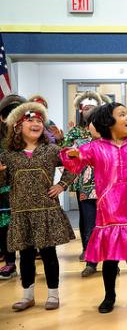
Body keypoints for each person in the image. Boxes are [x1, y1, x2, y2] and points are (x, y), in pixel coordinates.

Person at [61, 102, 127, 314]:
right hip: (108, 213)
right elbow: (75, 159)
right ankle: (109, 295)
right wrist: (72, 154)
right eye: (122, 115)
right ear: (108, 122)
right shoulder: (96, 147)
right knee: (110, 258)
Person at [0, 102, 76, 311]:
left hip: (46, 211)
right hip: (21, 212)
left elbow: (74, 165)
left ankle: (53, 294)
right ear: (17, 126)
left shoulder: (51, 150)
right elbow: (2, 183)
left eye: (39, 121)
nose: (36, 124)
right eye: (30, 120)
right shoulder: (8, 154)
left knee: (49, 254)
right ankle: (28, 295)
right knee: (25, 256)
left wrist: (61, 185)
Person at [63, 90, 103, 262]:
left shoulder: (106, 132)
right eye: (85, 107)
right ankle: (87, 249)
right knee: (86, 217)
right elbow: (64, 151)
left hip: (103, 182)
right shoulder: (75, 133)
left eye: (92, 107)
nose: (88, 110)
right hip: (84, 182)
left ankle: (105, 251)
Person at [0, 94, 26, 281]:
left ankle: (28, 262)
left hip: (24, 189)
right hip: (3, 189)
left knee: (25, 226)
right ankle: (9, 261)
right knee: (4, 226)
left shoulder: (30, 133)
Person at [73, 107, 101, 277]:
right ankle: (91, 262)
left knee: (109, 228)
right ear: (87, 125)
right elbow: (72, 166)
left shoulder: (115, 143)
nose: (97, 126)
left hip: (110, 193)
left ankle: (112, 261)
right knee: (90, 227)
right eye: (93, 123)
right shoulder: (81, 143)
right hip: (87, 192)